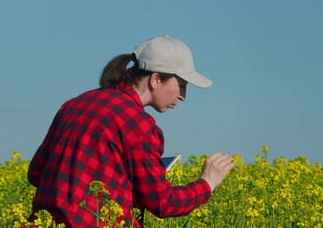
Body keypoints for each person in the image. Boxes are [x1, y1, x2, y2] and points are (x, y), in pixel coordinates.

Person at [27, 35, 235, 227]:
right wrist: (207, 183)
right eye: (181, 85)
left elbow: (36, 173)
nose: (183, 96)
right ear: (155, 80)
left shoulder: (74, 104)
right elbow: (162, 203)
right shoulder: (138, 124)